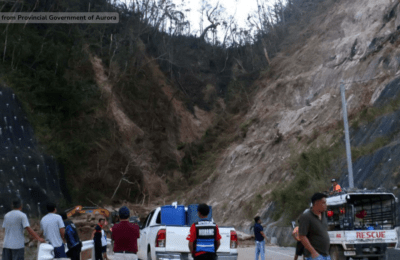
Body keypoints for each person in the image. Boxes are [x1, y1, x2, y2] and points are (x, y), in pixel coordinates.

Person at [299, 193, 331, 260]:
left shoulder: (324, 215)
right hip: (314, 256)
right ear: (316, 203)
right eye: (323, 203)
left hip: (326, 255)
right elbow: (302, 236)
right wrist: (313, 252)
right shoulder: (306, 217)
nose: (326, 205)